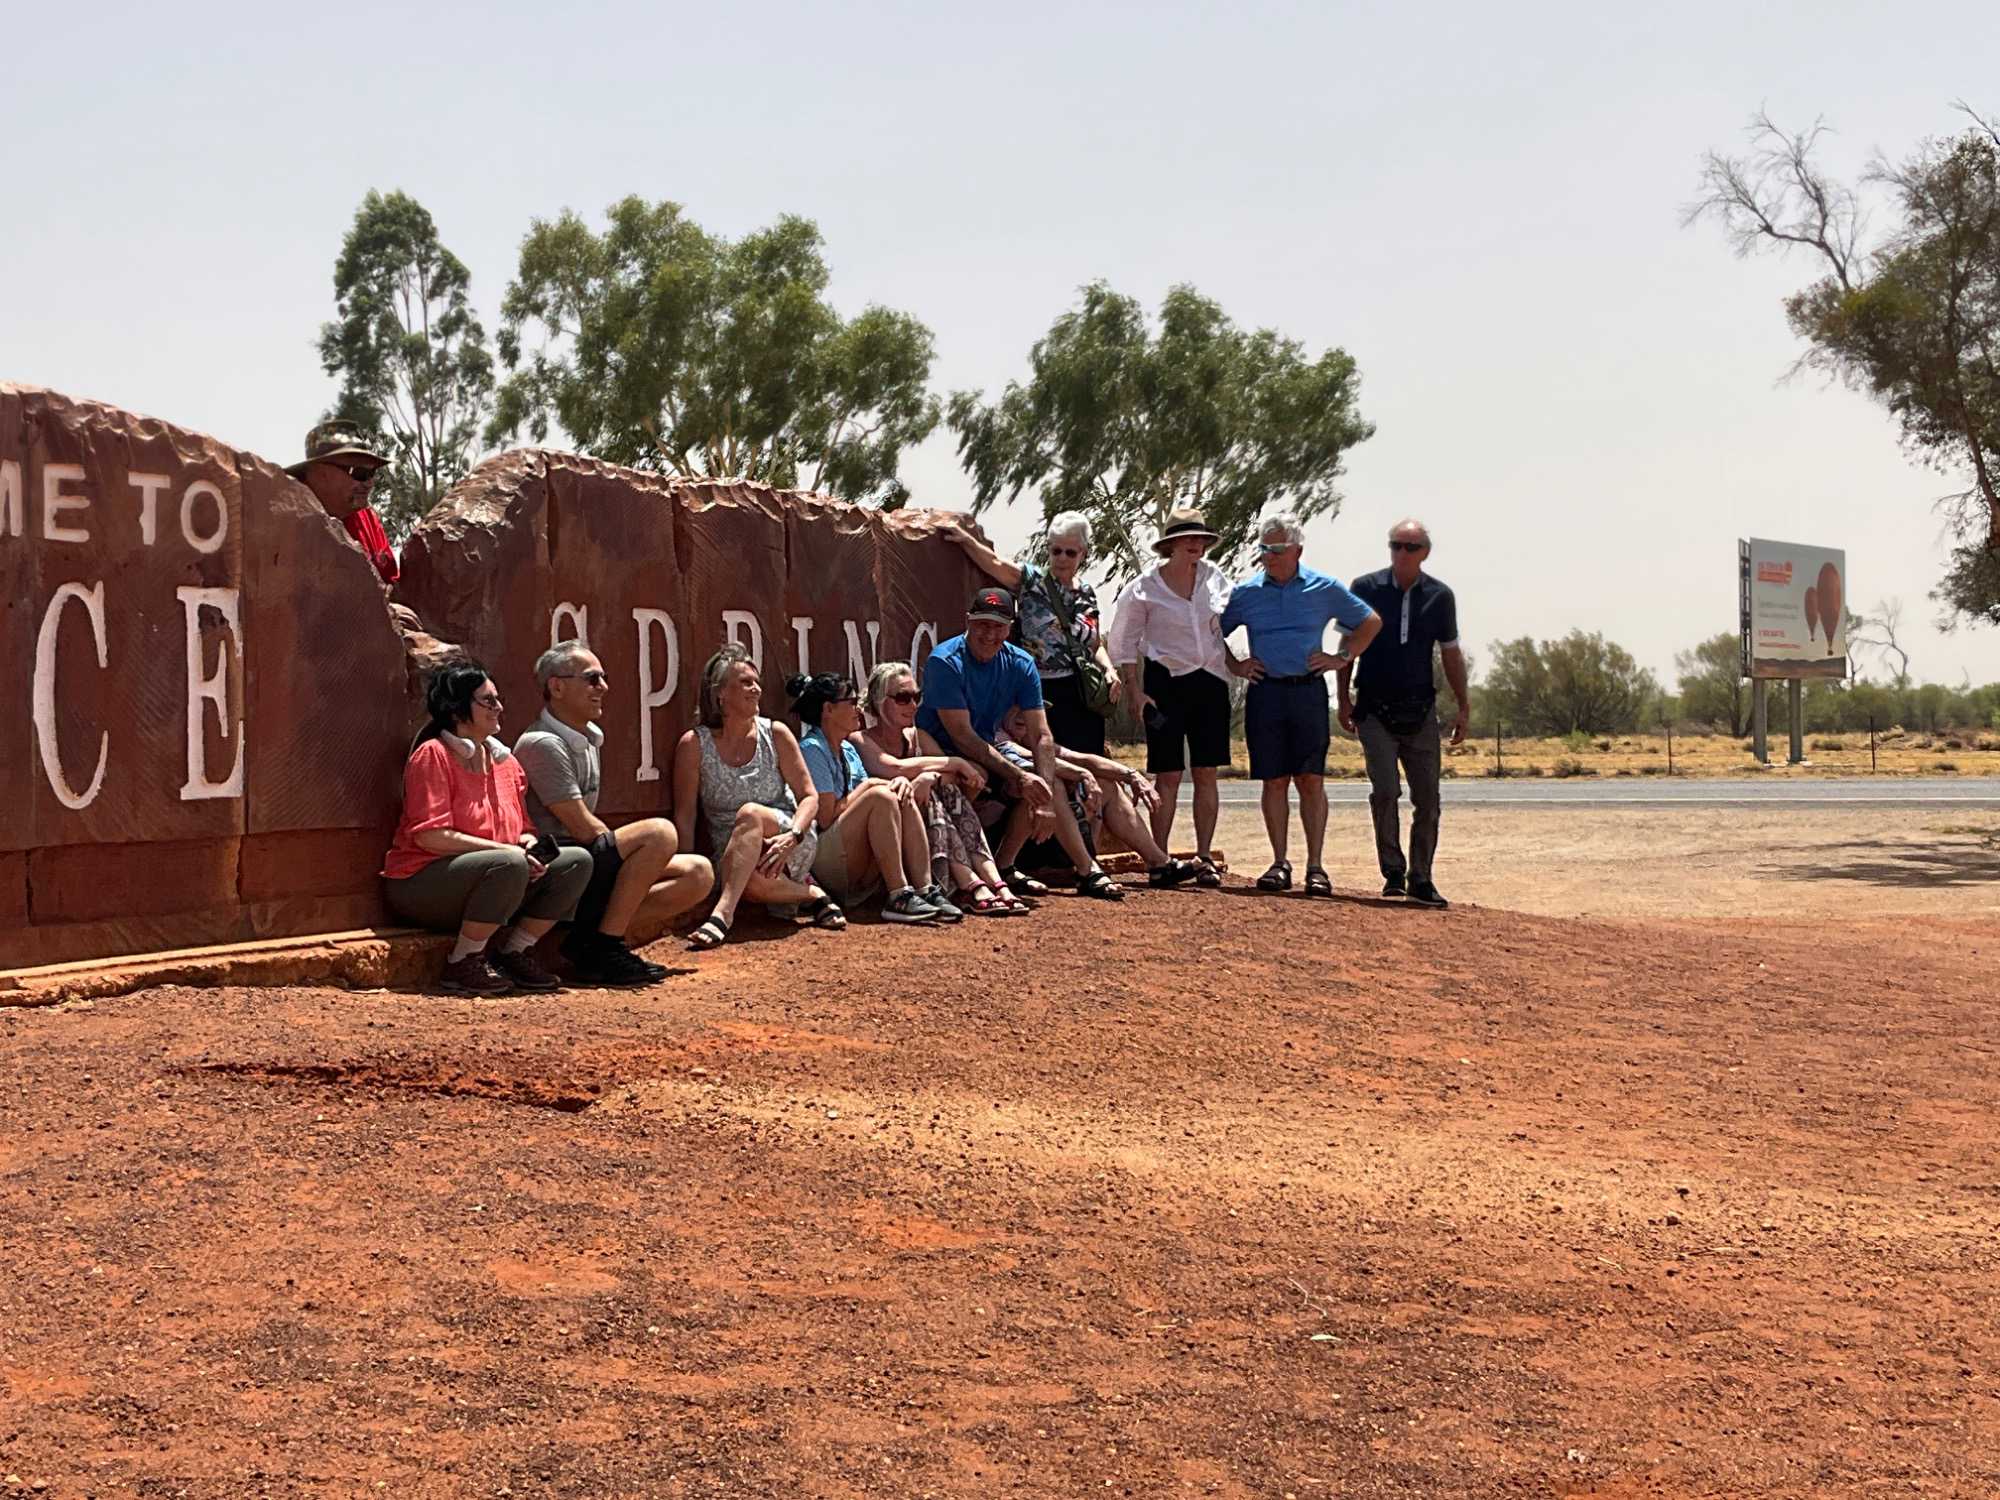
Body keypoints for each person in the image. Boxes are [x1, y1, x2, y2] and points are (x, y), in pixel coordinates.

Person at [382, 660, 594, 995]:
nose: (499, 708)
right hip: (422, 884)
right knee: (508, 862)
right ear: (457, 708)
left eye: (498, 699)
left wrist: (527, 844)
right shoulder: (433, 755)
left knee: (576, 861)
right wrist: (508, 852)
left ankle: (514, 951)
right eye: (487, 701)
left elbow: (523, 828)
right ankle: (462, 961)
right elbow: (430, 836)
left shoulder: (506, 763)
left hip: (496, 877)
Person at [514, 641, 716, 985]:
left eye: (603, 678)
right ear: (557, 687)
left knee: (697, 874)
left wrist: (638, 866)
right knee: (659, 834)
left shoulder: (587, 738)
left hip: (585, 865)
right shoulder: (543, 743)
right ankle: (604, 947)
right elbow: (582, 828)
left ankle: (589, 940)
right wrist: (637, 861)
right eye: (592, 679)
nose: (603, 687)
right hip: (555, 870)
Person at [914, 587, 1129, 900]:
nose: (990, 634)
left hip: (988, 748)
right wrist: (1019, 776)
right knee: (997, 777)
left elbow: (1041, 735)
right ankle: (967, 878)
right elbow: (961, 735)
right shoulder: (945, 661)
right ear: (968, 621)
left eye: (998, 626)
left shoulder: (1021, 663)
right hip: (945, 753)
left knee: (1044, 784)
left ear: (1010, 628)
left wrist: (1042, 793)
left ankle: (1081, 870)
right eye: (982, 624)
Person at [1221, 510, 1382, 897]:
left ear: (1297, 550)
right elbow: (1211, 632)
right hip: (1266, 693)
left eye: (1277, 549)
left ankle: (1315, 866)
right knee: (1274, 780)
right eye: (1264, 549)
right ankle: (1279, 862)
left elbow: (1370, 622)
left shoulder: (1323, 588)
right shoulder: (1245, 593)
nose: (1269, 556)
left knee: (1310, 780)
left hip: (1308, 692)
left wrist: (1341, 657)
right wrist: (1236, 665)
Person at [671, 646, 841, 950]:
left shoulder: (776, 733)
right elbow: (685, 817)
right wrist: (686, 880)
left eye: (756, 682)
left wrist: (794, 835)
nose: (756, 689)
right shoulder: (694, 745)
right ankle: (812, 894)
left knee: (751, 812)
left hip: (788, 838)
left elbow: (809, 797)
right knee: (747, 883)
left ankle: (722, 916)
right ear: (720, 693)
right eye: (745, 682)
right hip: (731, 852)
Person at [1337, 519, 1469, 909]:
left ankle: (1421, 877)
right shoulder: (1365, 588)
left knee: (1428, 799)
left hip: (1420, 710)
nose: (1402, 553)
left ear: (1425, 552)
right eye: (1396, 545)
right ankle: (1393, 872)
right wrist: (1343, 698)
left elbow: (1450, 653)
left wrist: (1463, 705)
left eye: (1411, 547)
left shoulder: (1440, 596)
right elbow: (1347, 646)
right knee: (1385, 791)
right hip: (1373, 708)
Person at [1106, 507, 1232, 887]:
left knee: (1206, 771)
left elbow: (1224, 626)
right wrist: (1134, 691)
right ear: (1171, 544)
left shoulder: (1215, 578)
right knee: (1168, 773)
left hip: (1211, 680)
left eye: (1201, 538)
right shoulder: (1143, 588)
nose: (1196, 544)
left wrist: (1238, 664)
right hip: (1164, 684)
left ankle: (1204, 857)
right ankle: (1159, 860)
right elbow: (1124, 641)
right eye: (1187, 538)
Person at [857, 661, 1029, 916]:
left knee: (947, 792)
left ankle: (992, 881)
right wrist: (954, 762)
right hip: (892, 838)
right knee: (933, 797)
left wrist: (931, 777)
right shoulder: (861, 739)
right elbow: (893, 767)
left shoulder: (919, 736)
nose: (913, 705)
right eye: (903, 698)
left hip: (931, 832)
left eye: (916, 697)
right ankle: (969, 883)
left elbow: (960, 778)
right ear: (880, 701)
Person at [939, 512, 1119, 753]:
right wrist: (965, 539)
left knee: (1089, 755)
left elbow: (1094, 644)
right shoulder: (1033, 581)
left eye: (1070, 552)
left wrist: (1108, 669)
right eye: (1056, 551)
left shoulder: (1087, 593)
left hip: (1081, 690)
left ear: (1083, 553)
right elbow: (994, 563)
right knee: (1049, 755)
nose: (1062, 558)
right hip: (1039, 688)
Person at [788, 671, 957, 925]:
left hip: (853, 858)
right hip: (824, 861)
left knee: (899, 792)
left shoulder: (848, 748)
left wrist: (897, 783)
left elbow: (872, 792)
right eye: (851, 702)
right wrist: (870, 786)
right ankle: (898, 895)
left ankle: (925, 890)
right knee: (880, 796)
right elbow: (825, 817)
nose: (858, 709)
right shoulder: (812, 749)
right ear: (828, 709)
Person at [996, 705, 1198, 887]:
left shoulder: (1035, 739)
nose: (1022, 714)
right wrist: (1083, 774)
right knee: (1050, 785)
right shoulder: (999, 736)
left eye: (1028, 708)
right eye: (1014, 707)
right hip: (1005, 836)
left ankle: (1159, 864)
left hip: (1044, 832)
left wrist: (1132, 776)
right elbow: (1040, 761)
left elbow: (1080, 758)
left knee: (1106, 784)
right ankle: (1085, 868)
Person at [284, 419, 401, 584]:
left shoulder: (367, 518)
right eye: (360, 473)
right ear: (320, 473)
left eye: (372, 473)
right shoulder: (286, 524)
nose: (369, 483)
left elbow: (392, 582)